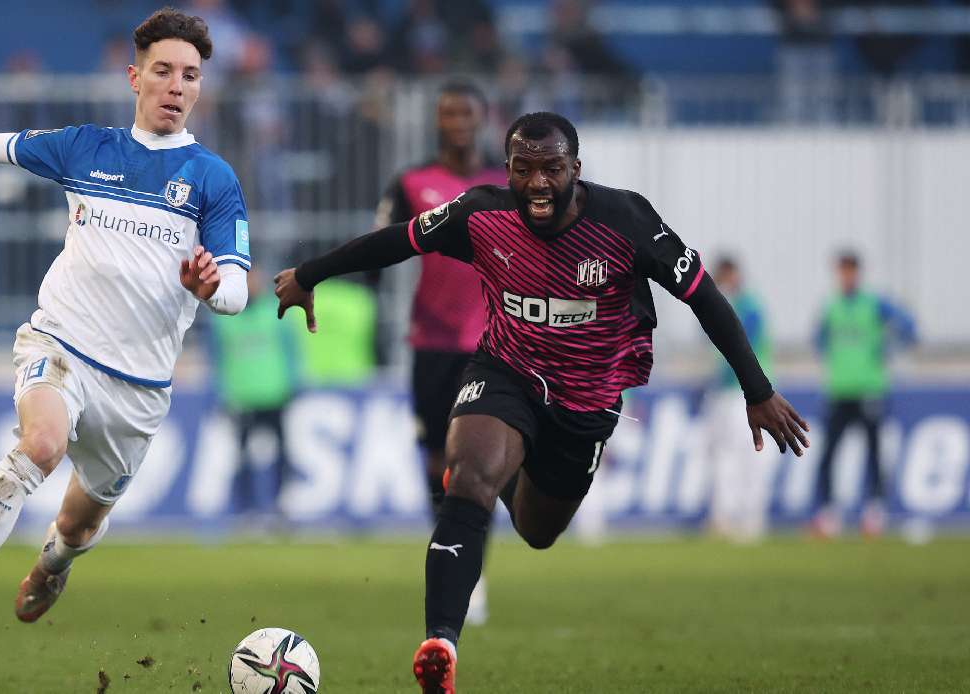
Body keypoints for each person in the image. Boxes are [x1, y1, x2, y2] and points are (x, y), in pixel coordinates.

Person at [274, 112, 809, 694]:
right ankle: (441, 645)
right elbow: (398, 240)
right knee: (468, 479)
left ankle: (509, 465)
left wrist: (757, 391)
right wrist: (310, 274)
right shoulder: (481, 213)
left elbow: (703, 295)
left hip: (587, 399)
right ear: (507, 169)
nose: (537, 182)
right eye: (523, 169)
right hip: (507, 371)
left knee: (536, 529)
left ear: (575, 169)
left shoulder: (627, 220)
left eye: (551, 169)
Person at [0, 7, 252, 654]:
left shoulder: (212, 180)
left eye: (191, 75)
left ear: (201, 86)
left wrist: (209, 287)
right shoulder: (84, 147)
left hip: (139, 388)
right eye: (164, 71)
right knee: (42, 443)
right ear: (133, 77)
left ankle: (55, 558)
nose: (177, 86)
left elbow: (237, 289)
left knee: (81, 523)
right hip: (62, 344)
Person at [375, 80, 505, 627]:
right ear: (437, 120)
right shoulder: (411, 182)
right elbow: (381, 244)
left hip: (495, 344)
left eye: (464, 112)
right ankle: (450, 562)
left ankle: (474, 576)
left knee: (478, 465)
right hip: (430, 343)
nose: (455, 120)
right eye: (446, 112)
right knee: (437, 463)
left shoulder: (507, 181)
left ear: (482, 117)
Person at [811, 251, 916, 538]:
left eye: (850, 271)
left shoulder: (874, 303)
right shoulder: (831, 306)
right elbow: (818, 341)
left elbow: (910, 326)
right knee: (830, 452)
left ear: (858, 272)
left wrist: (887, 349)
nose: (846, 277)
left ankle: (875, 511)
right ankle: (829, 513)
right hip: (839, 389)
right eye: (842, 271)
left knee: (874, 452)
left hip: (870, 388)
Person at [210, 269, 295, 517]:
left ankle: (279, 505)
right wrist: (222, 392)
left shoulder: (275, 310)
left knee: (281, 453)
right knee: (241, 456)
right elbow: (217, 358)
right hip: (241, 396)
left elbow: (291, 350)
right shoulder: (223, 318)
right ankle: (246, 509)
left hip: (274, 393)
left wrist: (293, 383)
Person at [704, 256, 774, 543]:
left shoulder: (749, 307)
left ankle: (750, 517)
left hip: (745, 393)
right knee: (724, 456)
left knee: (749, 455)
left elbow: (744, 349)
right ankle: (725, 516)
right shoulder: (722, 305)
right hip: (724, 392)